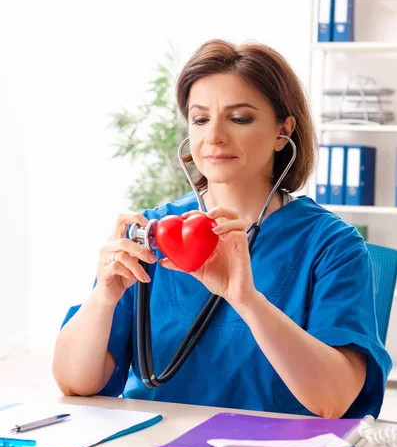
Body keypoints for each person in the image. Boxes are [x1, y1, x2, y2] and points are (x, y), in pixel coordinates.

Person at [53, 39, 392, 418]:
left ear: (284, 131)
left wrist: (246, 299)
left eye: (240, 118)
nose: (213, 136)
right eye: (200, 119)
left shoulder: (332, 246)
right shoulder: (152, 233)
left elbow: (334, 400)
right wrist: (104, 298)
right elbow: (75, 383)